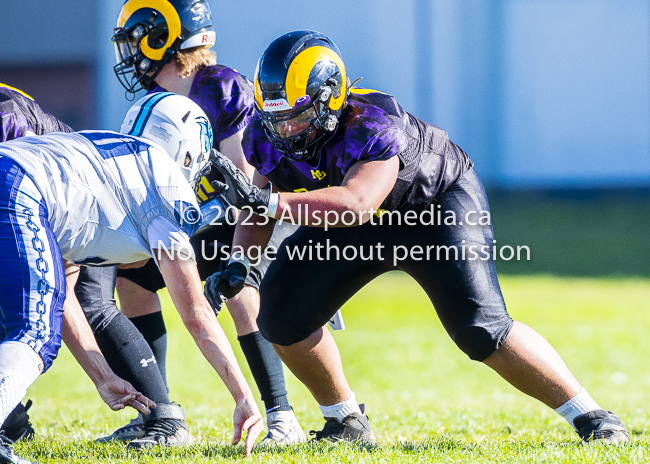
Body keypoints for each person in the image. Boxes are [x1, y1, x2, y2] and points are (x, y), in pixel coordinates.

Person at [205, 30, 630, 445]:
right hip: (355, 222)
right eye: (277, 118)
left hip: (431, 208)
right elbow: (258, 202)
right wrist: (243, 262)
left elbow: (356, 203)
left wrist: (270, 203)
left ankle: (591, 415)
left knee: (481, 327)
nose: (287, 130)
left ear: (329, 97)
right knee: (281, 315)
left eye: (296, 116)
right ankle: (346, 422)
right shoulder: (268, 133)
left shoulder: (371, 120)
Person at [0, 92, 263, 463]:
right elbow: (197, 315)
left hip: (13, 176)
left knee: (16, 324)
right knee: (33, 333)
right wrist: (242, 395)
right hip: (17, 188)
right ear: (187, 153)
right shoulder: (164, 184)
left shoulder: (102, 159)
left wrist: (103, 376)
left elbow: (67, 296)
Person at [109, 0, 304, 444]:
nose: (130, 53)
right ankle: (159, 415)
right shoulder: (157, 98)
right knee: (132, 277)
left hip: (244, 216)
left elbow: (246, 184)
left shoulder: (218, 86)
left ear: (163, 37)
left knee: (236, 289)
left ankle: (280, 415)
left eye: (136, 39)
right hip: (199, 218)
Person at [0, 83, 179, 449]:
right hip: (34, 195)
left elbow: (59, 281)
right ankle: (12, 419)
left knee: (90, 304)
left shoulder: (8, 123)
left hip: (75, 199)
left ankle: (164, 415)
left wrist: (100, 376)